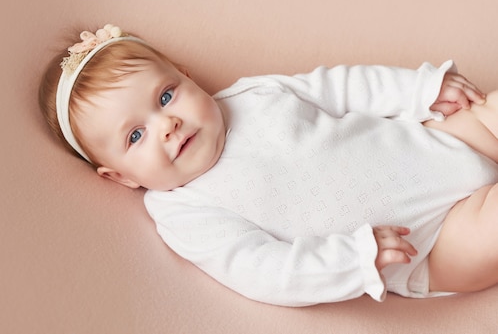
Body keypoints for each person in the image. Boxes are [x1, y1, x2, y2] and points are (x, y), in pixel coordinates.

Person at [39, 24, 498, 306]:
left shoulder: (250, 95)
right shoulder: (183, 211)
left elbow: (341, 87)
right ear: (120, 176)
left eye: (165, 96)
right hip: (428, 243)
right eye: (135, 136)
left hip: (434, 141)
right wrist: (353, 259)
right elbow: (263, 269)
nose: (167, 125)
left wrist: (421, 91)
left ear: (186, 75)